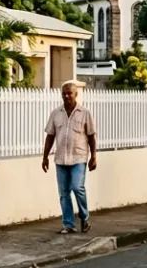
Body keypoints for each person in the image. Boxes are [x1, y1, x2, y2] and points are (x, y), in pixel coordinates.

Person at [42, 81, 97, 234]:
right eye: (64, 93)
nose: (66, 96)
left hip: (78, 157)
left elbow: (91, 136)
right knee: (64, 193)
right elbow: (50, 136)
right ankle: (68, 224)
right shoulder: (56, 113)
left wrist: (94, 156)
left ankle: (84, 217)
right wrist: (45, 157)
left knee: (77, 187)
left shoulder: (84, 113)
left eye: (69, 93)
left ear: (76, 95)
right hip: (61, 159)